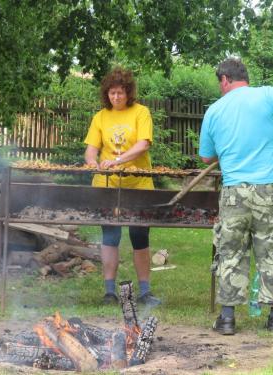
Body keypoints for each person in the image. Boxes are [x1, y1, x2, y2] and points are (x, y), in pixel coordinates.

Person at [199, 58, 273, 334]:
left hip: (234, 193)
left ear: (225, 79)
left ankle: (227, 319)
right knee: (272, 250)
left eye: (220, 82)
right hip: (269, 192)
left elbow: (206, 157)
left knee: (230, 252)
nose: (220, 87)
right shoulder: (269, 95)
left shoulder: (214, 111)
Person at [84, 67, 161, 307]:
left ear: (128, 93)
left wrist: (117, 161)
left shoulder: (141, 112)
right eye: (111, 93)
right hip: (107, 186)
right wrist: (93, 163)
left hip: (138, 185)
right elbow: (91, 149)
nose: (115, 98)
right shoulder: (100, 117)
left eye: (120, 93)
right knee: (110, 236)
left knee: (139, 236)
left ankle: (145, 292)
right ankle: (109, 291)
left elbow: (143, 145)